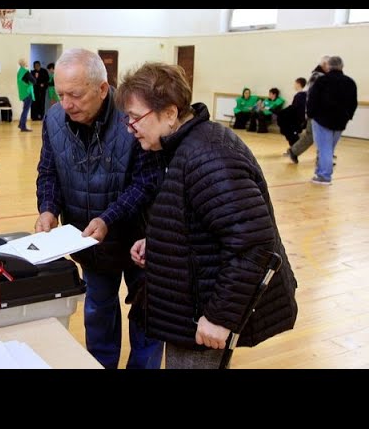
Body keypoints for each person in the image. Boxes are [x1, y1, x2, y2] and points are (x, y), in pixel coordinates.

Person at [115, 62, 298, 369]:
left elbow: (254, 246)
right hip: (190, 302)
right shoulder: (181, 146)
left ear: (171, 113)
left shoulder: (210, 156)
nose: (130, 128)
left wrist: (219, 317)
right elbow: (199, 219)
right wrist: (159, 241)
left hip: (206, 311)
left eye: (136, 119)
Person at [35, 48, 164, 369]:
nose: (66, 104)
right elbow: (48, 170)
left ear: (103, 89)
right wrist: (48, 208)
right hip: (89, 243)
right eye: (60, 93)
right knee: (98, 311)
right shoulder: (54, 118)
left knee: (148, 314)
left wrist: (109, 218)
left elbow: (146, 182)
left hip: (140, 240)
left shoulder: (136, 117)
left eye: (75, 95)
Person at [307, 56, 357, 185]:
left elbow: (312, 98)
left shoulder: (322, 80)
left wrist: (311, 114)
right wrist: (348, 116)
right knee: (329, 149)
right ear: (342, 66)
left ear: (328, 66)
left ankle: (324, 176)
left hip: (322, 119)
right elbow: (353, 103)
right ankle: (319, 172)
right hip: (340, 121)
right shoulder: (350, 82)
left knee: (324, 149)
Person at [284, 56, 330, 164]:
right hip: (316, 112)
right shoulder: (317, 76)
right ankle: (294, 151)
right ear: (323, 65)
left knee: (322, 136)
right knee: (312, 136)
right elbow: (315, 95)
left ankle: (322, 158)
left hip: (320, 112)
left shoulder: (322, 76)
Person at [276, 77, 307, 146]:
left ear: (298, 84)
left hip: (297, 119)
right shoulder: (303, 95)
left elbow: (295, 108)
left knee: (289, 131)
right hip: (299, 118)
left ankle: (294, 149)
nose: (294, 85)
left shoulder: (299, 96)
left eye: (295, 84)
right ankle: (293, 148)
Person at [16, 58, 35, 132]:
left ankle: (21, 124)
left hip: (23, 94)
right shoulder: (26, 72)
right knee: (26, 110)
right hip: (28, 93)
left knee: (24, 109)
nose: (27, 62)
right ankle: (23, 126)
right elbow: (34, 81)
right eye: (26, 61)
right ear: (24, 63)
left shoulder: (19, 72)